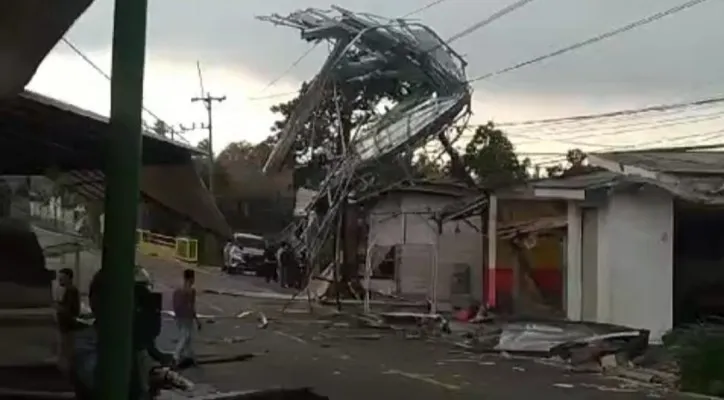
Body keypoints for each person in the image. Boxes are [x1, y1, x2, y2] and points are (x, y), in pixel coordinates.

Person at [172, 269, 201, 367]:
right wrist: (196, 319)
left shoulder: (178, 290)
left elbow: (175, 304)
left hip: (179, 316)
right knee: (186, 337)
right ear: (191, 278)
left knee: (187, 338)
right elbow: (192, 306)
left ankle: (190, 356)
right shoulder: (191, 291)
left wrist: (176, 315)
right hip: (187, 317)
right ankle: (176, 355)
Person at [55, 268, 80, 373]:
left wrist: (57, 307)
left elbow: (68, 310)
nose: (60, 280)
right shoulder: (70, 290)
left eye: (62, 278)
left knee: (67, 352)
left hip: (67, 327)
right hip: (68, 326)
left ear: (69, 278)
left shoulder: (71, 291)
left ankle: (67, 374)